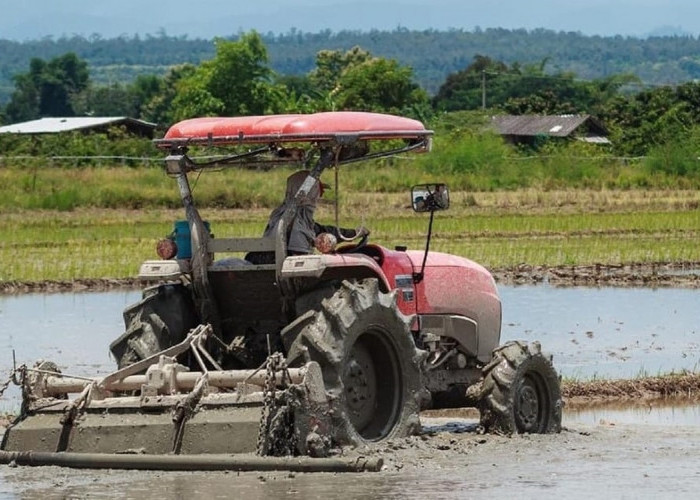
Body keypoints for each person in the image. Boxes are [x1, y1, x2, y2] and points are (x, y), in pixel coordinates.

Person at [246, 170, 368, 264]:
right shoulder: (294, 220)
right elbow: (298, 255)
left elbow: (320, 230)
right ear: (311, 192)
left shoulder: (283, 215)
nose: (320, 196)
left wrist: (354, 233)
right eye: (318, 191)